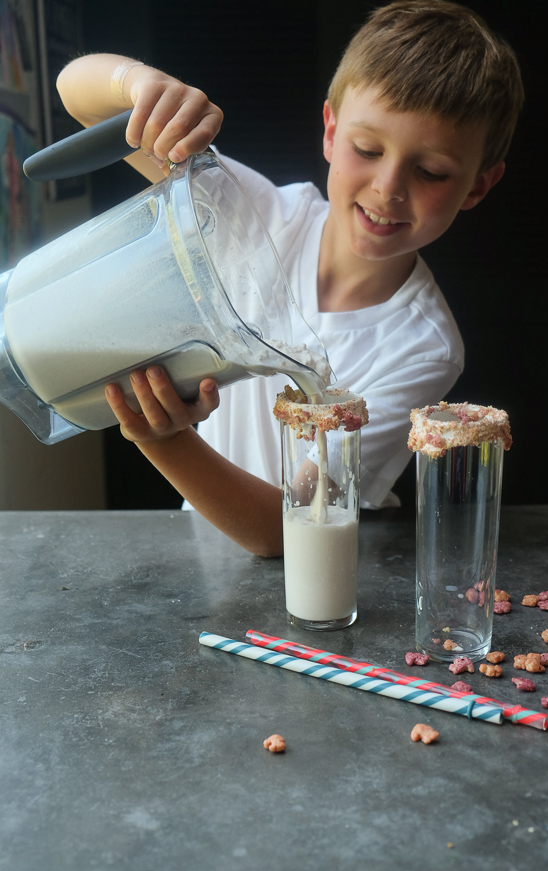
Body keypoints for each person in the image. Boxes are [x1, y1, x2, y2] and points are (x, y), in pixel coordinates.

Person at [56, 0, 523, 557]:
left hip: (327, 581)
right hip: (199, 559)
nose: (388, 188)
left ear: (476, 187)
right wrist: (142, 86)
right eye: (367, 149)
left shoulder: (424, 347)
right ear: (330, 131)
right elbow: (75, 91)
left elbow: (285, 531)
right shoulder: (251, 213)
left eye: (431, 172)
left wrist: (164, 440)